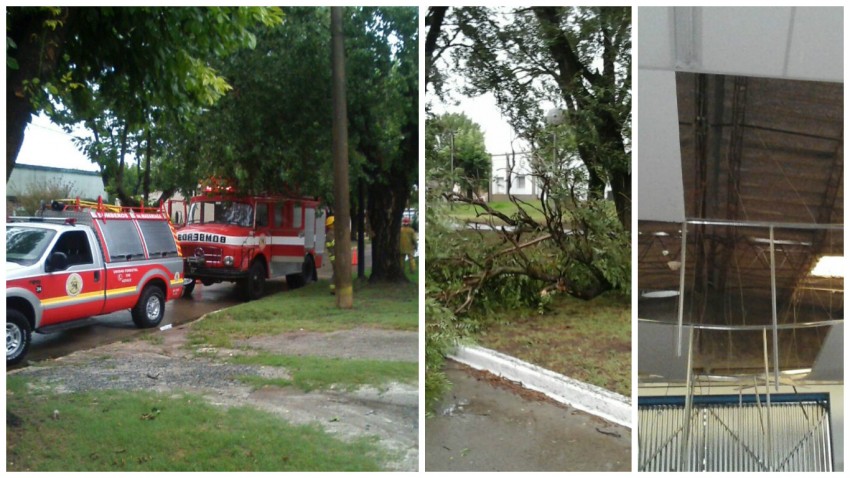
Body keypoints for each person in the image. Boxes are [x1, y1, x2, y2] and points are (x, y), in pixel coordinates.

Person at [325, 215, 335, 294]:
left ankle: (334, 288)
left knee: (337, 272)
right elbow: (335, 244)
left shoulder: (332, 233)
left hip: (335, 256)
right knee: (337, 272)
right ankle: (333, 289)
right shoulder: (330, 234)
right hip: (334, 257)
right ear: (330, 225)